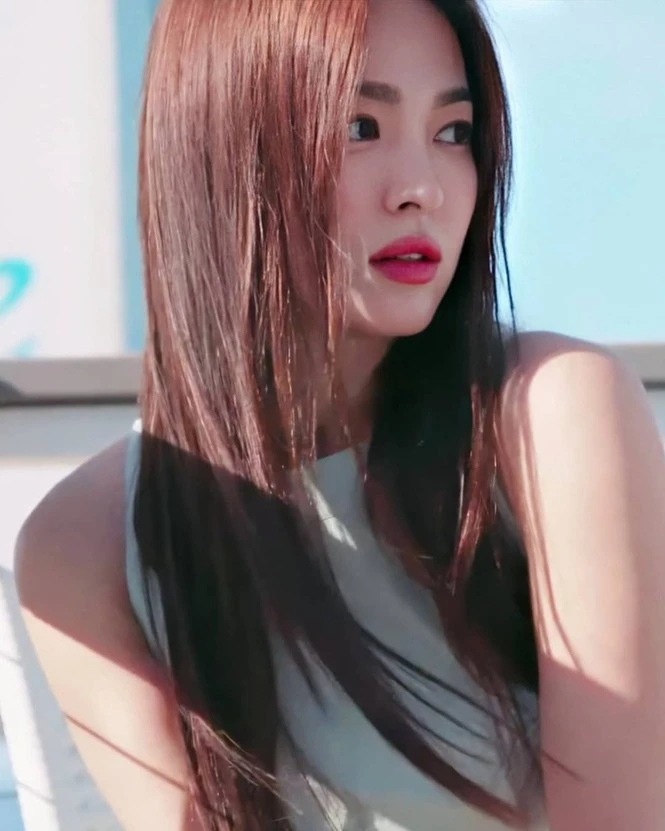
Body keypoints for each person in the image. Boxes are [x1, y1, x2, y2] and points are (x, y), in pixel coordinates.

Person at [13, 0, 665, 829]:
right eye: (360, 127)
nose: (420, 187)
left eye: (453, 132)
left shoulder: (550, 413)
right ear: (224, 151)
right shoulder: (88, 542)